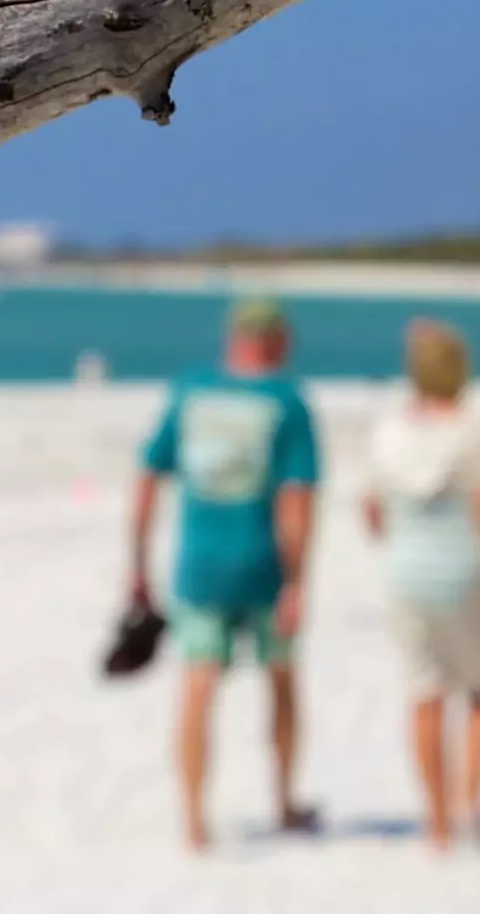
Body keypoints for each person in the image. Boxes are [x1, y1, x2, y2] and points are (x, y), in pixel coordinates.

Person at [125, 299, 321, 850]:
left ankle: (194, 821)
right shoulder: (288, 400)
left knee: (198, 688)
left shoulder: (190, 391)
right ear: (276, 340)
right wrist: (299, 581)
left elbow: (146, 477)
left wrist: (137, 565)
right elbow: (298, 501)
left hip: (199, 568)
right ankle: (283, 801)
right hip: (265, 569)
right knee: (280, 683)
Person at [362, 319, 480, 850]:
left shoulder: (388, 432)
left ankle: (436, 825)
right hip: (467, 573)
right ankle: (470, 805)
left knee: (425, 694)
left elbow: (372, 512)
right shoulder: (474, 432)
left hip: (406, 574)